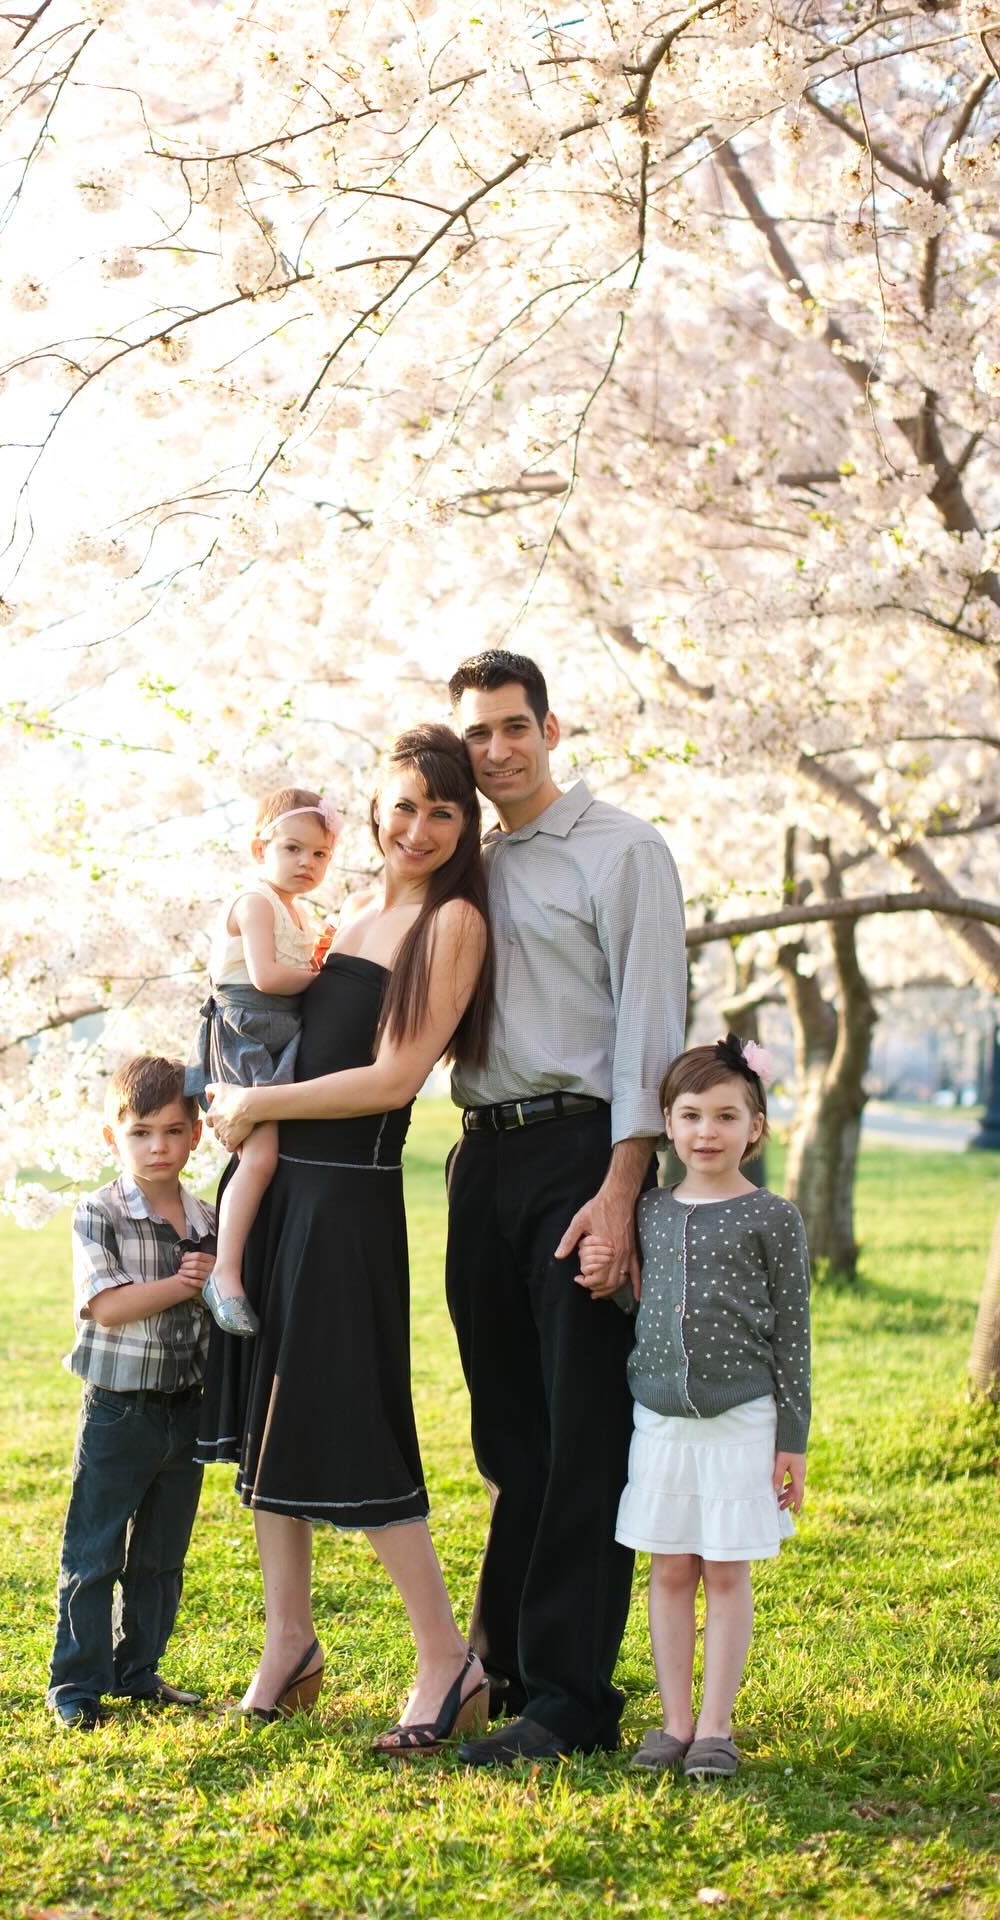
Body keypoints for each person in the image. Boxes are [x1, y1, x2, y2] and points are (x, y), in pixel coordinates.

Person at [201, 724, 496, 1754]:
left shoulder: (451, 924)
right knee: (267, 1420)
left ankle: (445, 1657)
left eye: (443, 812)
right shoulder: (349, 908)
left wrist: (258, 1103)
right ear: (377, 809)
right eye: (404, 807)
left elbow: (392, 1080)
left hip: (351, 1197)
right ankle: (290, 1644)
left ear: (466, 826)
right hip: (282, 1187)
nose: (418, 829)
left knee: (355, 1422)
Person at [443, 649, 688, 1769]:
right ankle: (505, 1672)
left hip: (582, 1151)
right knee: (511, 1437)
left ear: (551, 727)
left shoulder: (622, 850)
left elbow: (650, 1026)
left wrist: (623, 1191)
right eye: (477, 734)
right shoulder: (470, 864)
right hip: (480, 1157)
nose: (496, 750)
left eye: (512, 728)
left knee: (583, 1430)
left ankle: (574, 1701)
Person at [578, 1035, 811, 1781]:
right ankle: (674, 1722)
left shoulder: (773, 1218)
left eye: (725, 1116)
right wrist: (602, 1274)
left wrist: (792, 1439)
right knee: (670, 1569)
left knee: (725, 1572)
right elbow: (630, 1299)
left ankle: (716, 1725)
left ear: (756, 1128)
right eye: (690, 1116)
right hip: (662, 1422)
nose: (706, 1132)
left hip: (742, 1420)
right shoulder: (647, 1209)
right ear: (667, 1126)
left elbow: (794, 1335)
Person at [47, 1055, 217, 1731]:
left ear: (196, 1134)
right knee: (94, 1553)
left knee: (160, 1558)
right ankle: (77, 1686)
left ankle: (137, 1671)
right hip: (120, 1410)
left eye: (173, 1131)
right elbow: (108, 1306)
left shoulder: (207, 1215)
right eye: (141, 1132)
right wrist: (184, 1283)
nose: (158, 1147)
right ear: (113, 1136)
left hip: (188, 1409)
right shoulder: (100, 1212)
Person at [184, 786, 340, 1338]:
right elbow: (268, 978)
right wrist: (330, 981)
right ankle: (224, 1275)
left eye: (320, 854)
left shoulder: (299, 912)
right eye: (293, 849)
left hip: (281, 1033)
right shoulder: (254, 902)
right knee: (263, 1155)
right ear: (259, 850)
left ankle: (254, 1255)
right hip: (246, 1031)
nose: (307, 863)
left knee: (278, 1150)